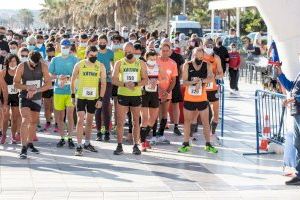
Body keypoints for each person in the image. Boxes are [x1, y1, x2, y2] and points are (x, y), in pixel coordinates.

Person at [178, 47, 218, 153]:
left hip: (202, 99)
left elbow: (211, 77)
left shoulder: (207, 65)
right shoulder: (187, 65)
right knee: (187, 122)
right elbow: (184, 82)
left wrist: (201, 80)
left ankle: (208, 144)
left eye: (201, 56)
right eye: (197, 56)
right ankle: (186, 144)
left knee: (205, 122)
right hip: (189, 98)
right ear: (193, 55)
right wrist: (194, 82)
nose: (199, 58)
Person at [14, 51, 52, 159]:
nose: (34, 66)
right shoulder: (21, 66)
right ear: (28, 59)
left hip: (37, 97)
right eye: (32, 63)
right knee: (25, 119)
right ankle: (23, 147)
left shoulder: (43, 66)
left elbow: (48, 83)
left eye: (36, 64)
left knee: (34, 122)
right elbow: (15, 83)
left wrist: (36, 90)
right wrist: (27, 88)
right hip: (24, 96)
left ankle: (30, 143)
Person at [112, 42, 147, 155]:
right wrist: (124, 84)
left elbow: (145, 79)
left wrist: (136, 84)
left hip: (136, 95)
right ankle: (119, 145)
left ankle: (136, 145)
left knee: (136, 121)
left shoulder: (140, 63)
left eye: (130, 52)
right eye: (126, 52)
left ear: (134, 51)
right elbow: (114, 79)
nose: (128, 53)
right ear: (123, 51)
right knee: (120, 121)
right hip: (123, 94)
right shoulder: (119, 63)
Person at [71, 45, 106, 156]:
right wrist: (72, 95)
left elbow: (104, 83)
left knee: (90, 121)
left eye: (96, 56)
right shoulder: (79, 64)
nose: (94, 58)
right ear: (86, 54)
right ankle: (79, 145)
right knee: (81, 119)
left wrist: (100, 98)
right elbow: (72, 80)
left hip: (93, 97)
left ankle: (87, 143)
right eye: (91, 55)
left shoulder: (100, 66)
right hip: (81, 96)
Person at [49, 39, 78, 148]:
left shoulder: (75, 59)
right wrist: (58, 77)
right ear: (60, 47)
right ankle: (62, 138)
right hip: (58, 91)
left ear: (70, 48)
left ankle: (70, 138)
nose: (65, 49)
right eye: (63, 47)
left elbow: (78, 74)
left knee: (70, 115)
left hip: (71, 91)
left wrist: (68, 78)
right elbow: (49, 74)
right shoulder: (55, 60)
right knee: (60, 117)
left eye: (67, 47)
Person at [276, 60, 300, 185]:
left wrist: (291, 99)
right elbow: (291, 87)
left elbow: (296, 94)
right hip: (297, 113)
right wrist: (280, 74)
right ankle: (299, 174)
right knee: (297, 143)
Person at [150, 43, 177, 145]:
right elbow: (152, 76)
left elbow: (173, 80)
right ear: (160, 50)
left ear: (170, 51)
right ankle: (153, 135)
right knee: (154, 114)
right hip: (155, 91)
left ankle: (161, 135)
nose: (165, 52)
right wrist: (160, 89)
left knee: (164, 114)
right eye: (163, 50)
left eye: (167, 50)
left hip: (167, 93)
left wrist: (167, 92)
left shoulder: (173, 63)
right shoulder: (155, 61)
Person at [95, 34, 114, 141]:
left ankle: (106, 131)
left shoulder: (110, 52)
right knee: (98, 106)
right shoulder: (94, 52)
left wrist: (111, 71)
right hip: (96, 82)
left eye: (104, 43)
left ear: (107, 42)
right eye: (100, 43)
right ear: (97, 42)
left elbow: (112, 64)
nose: (102, 45)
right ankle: (98, 132)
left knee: (106, 106)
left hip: (107, 82)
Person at [203, 39, 224, 135]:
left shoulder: (216, 58)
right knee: (197, 111)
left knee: (215, 110)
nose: (209, 48)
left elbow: (221, 73)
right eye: (207, 45)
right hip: (201, 87)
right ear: (203, 45)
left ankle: (214, 126)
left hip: (212, 87)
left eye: (211, 46)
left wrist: (214, 77)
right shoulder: (200, 56)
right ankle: (192, 131)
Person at [140, 51, 160, 151]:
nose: (152, 61)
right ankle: (142, 142)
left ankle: (143, 138)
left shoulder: (158, 66)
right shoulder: (142, 65)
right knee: (144, 119)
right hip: (144, 93)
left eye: (154, 59)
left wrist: (157, 81)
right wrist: (147, 80)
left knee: (152, 119)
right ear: (146, 58)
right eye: (150, 59)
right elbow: (139, 78)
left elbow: (162, 77)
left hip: (154, 93)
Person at [0, 54, 20, 144]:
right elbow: (4, 88)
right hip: (6, 95)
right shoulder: (3, 72)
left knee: (15, 118)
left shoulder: (20, 71)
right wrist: (5, 103)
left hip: (16, 96)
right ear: (7, 62)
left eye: (14, 61)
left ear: (17, 62)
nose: (13, 63)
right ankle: (4, 135)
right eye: (11, 61)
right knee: (5, 117)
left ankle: (13, 135)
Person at [42, 45, 55, 131]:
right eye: (48, 53)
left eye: (52, 53)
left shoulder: (57, 60)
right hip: (46, 85)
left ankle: (57, 123)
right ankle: (48, 121)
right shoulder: (43, 61)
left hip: (55, 85)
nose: (50, 55)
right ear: (46, 53)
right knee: (47, 106)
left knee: (54, 106)